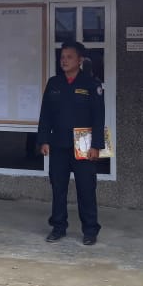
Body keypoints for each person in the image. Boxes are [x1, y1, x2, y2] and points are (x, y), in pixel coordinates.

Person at [36, 41, 106, 245]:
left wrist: (96, 145)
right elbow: (45, 115)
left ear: (80, 60)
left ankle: (90, 230)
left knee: (86, 189)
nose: (64, 61)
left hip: (84, 145)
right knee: (58, 188)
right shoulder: (54, 83)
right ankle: (58, 227)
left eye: (69, 57)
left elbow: (98, 117)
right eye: (62, 57)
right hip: (58, 144)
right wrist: (43, 140)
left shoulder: (91, 84)